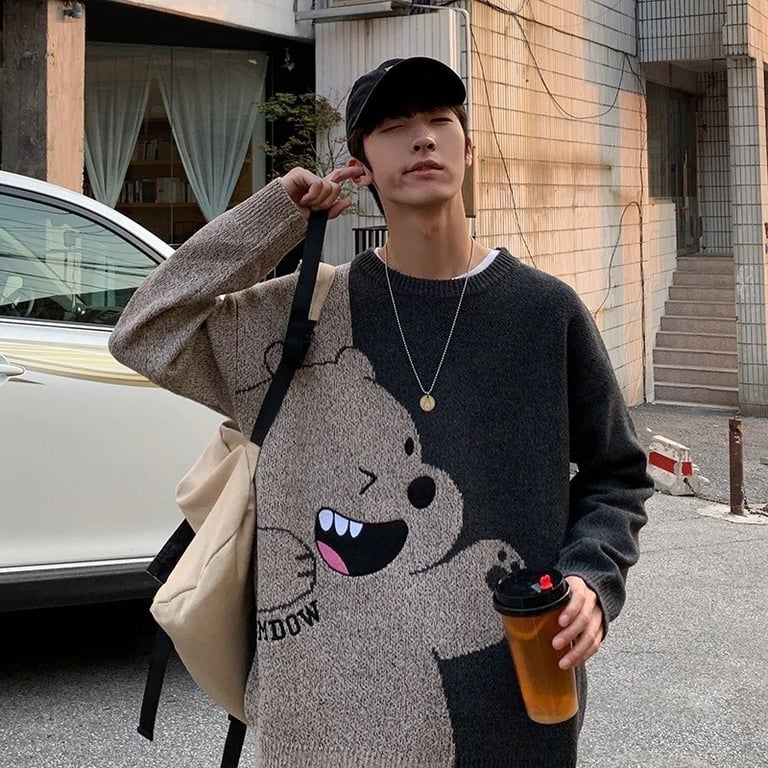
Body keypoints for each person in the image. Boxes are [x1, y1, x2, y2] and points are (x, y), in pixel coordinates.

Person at [110, 56, 653, 768]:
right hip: (317, 723)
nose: (422, 138)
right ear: (359, 166)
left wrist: (591, 577)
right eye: (395, 126)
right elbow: (144, 331)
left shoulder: (544, 312)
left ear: (468, 147)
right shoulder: (302, 316)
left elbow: (619, 472)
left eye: (440, 120)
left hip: (512, 705)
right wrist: (277, 214)